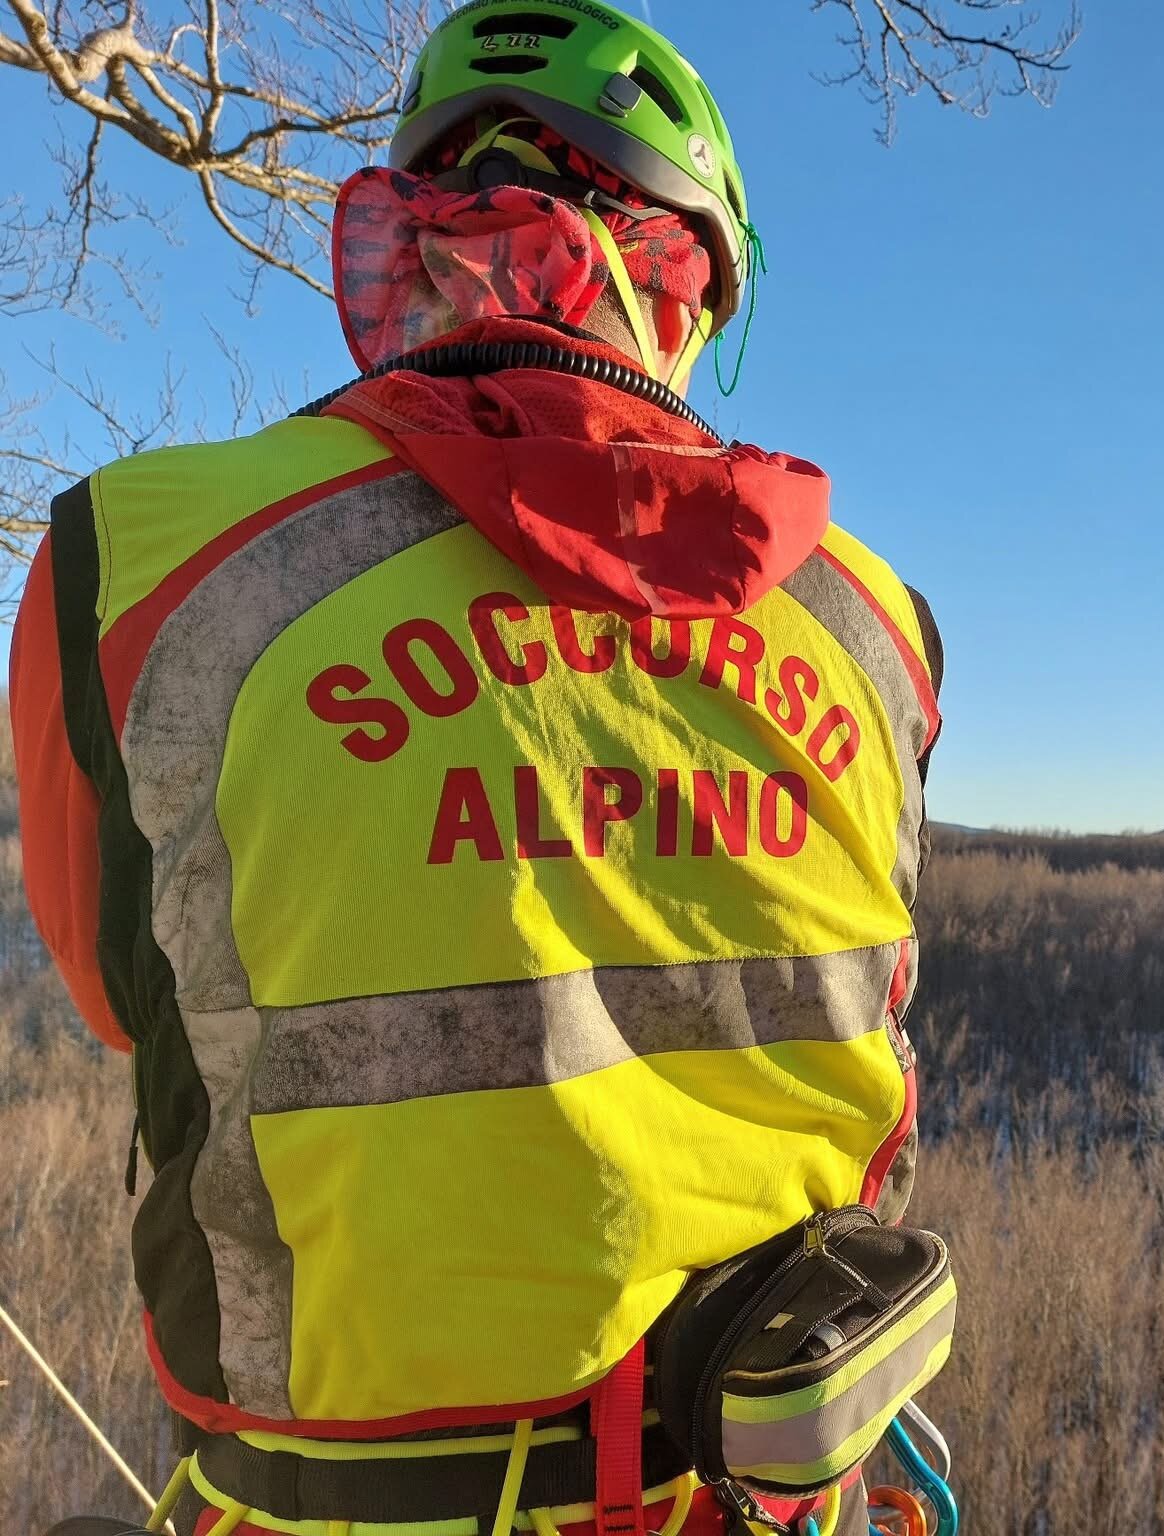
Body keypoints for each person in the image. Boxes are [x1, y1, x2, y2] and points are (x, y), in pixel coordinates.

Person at [10, 4, 945, 1531]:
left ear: (422, 253)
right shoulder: (875, 625)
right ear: (686, 290)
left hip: (320, 1503)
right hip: (758, 1494)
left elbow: (130, 996)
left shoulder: (145, 561)